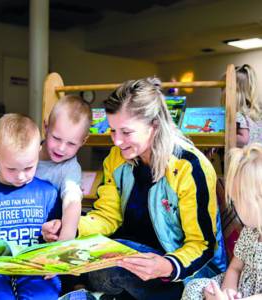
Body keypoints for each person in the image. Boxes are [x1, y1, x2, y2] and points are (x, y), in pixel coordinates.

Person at [42, 77, 227, 300]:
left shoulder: (190, 167)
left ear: (154, 126)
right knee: (74, 246)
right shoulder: (116, 159)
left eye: (126, 132)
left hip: (184, 276)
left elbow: (203, 246)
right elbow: (108, 217)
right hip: (129, 267)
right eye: (112, 131)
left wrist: (167, 266)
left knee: (114, 258)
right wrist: (70, 227)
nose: (117, 141)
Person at [0, 95, 92, 241]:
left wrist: (65, 241)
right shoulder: (29, 147)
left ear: (83, 141)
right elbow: (5, 153)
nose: (61, 148)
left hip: (42, 227)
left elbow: (72, 203)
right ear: (46, 127)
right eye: (56, 138)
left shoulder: (70, 169)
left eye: (71, 144)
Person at [0, 113, 61, 299]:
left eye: (29, 167)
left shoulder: (48, 193)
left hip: (36, 271)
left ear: (38, 152)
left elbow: (60, 237)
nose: (21, 176)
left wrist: (55, 238)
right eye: (12, 169)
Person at [182, 143, 262, 300]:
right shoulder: (250, 232)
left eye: (237, 201)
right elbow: (235, 268)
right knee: (194, 288)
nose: (235, 207)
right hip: (238, 290)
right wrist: (227, 291)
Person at [223, 64, 262, 147]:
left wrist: (223, 137)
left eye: (223, 87)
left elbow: (244, 139)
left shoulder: (237, 115)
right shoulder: (255, 116)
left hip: (242, 158)